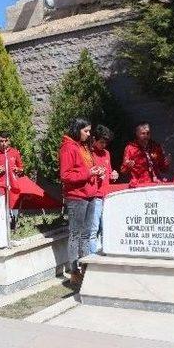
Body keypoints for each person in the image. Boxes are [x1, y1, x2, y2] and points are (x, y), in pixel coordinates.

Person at [60, 118, 103, 285]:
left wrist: (95, 172)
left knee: (86, 234)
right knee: (75, 235)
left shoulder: (83, 147)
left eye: (89, 131)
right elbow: (66, 175)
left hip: (90, 194)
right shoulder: (68, 148)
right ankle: (74, 271)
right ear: (77, 130)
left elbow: (85, 169)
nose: (89, 134)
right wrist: (88, 173)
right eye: (86, 131)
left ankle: (85, 267)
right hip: (76, 197)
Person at [89, 125, 119, 253]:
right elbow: (85, 174)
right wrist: (95, 174)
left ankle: (106, 255)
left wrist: (114, 175)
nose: (104, 145)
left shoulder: (107, 153)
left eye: (106, 142)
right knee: (93, 229)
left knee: (106, 228)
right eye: (101, 142)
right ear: (94, 139)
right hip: (95, 196)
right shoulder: (88, 153)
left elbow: (109, 172)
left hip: (107, 195)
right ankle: (91, 259)